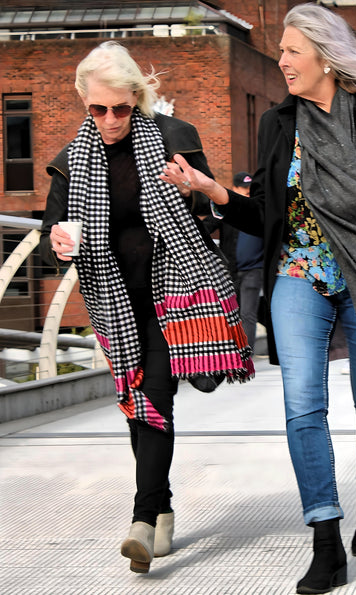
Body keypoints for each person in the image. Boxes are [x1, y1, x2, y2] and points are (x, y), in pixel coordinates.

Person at [160, 4, 356, 593]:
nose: (281, 60)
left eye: (290, 50)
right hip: (298, 276)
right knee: (302, 405)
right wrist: (212, 190)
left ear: (324, 54)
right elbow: (266, 215)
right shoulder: (278, 124)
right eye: (280, 51)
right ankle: (325, 539)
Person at [39, 41, 253, 575]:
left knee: (155, 395)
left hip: (174, 291)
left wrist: (194, 192)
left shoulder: (175, 138)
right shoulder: (72, 161)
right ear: (84, 103)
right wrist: (59, 243)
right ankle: (162, 507)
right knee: (137, 405)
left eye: (121, 108)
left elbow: (208, 201)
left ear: (137, 99)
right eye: (98, 109)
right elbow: (52, 236)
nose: (110, 119)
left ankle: (139, 521)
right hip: (114, 299)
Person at [203, 172, 265, 353]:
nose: (246, 193)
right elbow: (207, 227)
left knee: (247, 313)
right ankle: (231, 349)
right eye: (243, 189)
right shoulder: (226, 208)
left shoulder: (257, 208)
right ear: (235, 188)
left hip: (254, 269)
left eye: (249, 189)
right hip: (230, 269)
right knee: (230, 311)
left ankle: (245, 353)